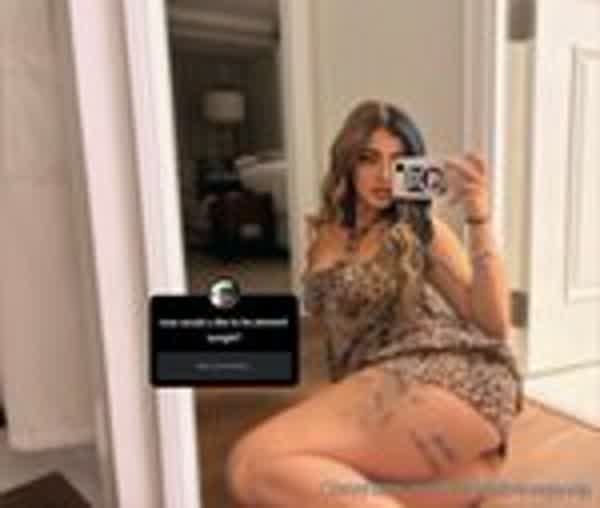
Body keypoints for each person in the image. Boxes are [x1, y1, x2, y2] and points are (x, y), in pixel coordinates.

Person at [225, 100, 524, 508]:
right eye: (368, 159)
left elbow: (494, 327)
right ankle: (473, 470)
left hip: (443, 367)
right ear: (347, 162)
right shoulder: (323, 232)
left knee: (249, 465)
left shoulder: (420, 230)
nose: (384, 175)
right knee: (318, 485)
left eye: (398, 162)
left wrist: (479, 218)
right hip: (385, 389)